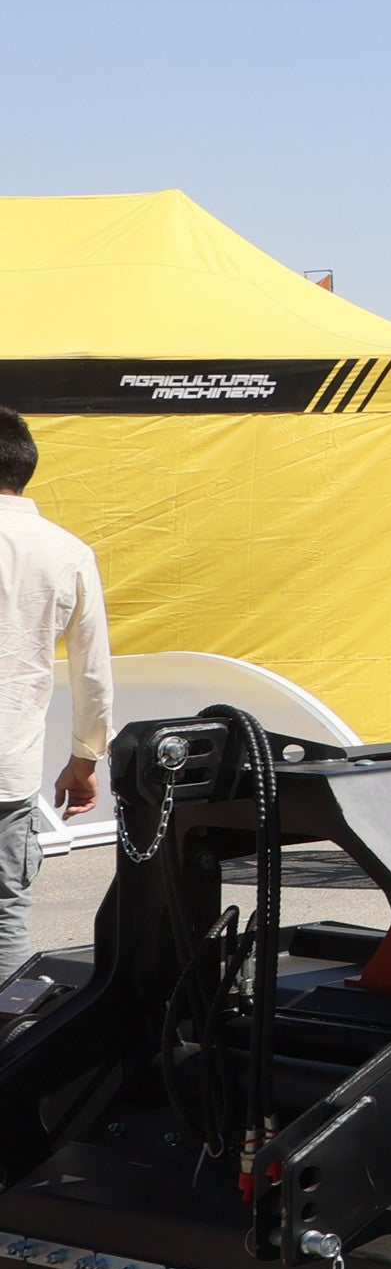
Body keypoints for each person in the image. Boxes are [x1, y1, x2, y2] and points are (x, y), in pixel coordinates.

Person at [0, 407, 112, 984]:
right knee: (5, 919)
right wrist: (84, 759)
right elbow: (93, 673)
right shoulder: (66, 551)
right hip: (9, 772)